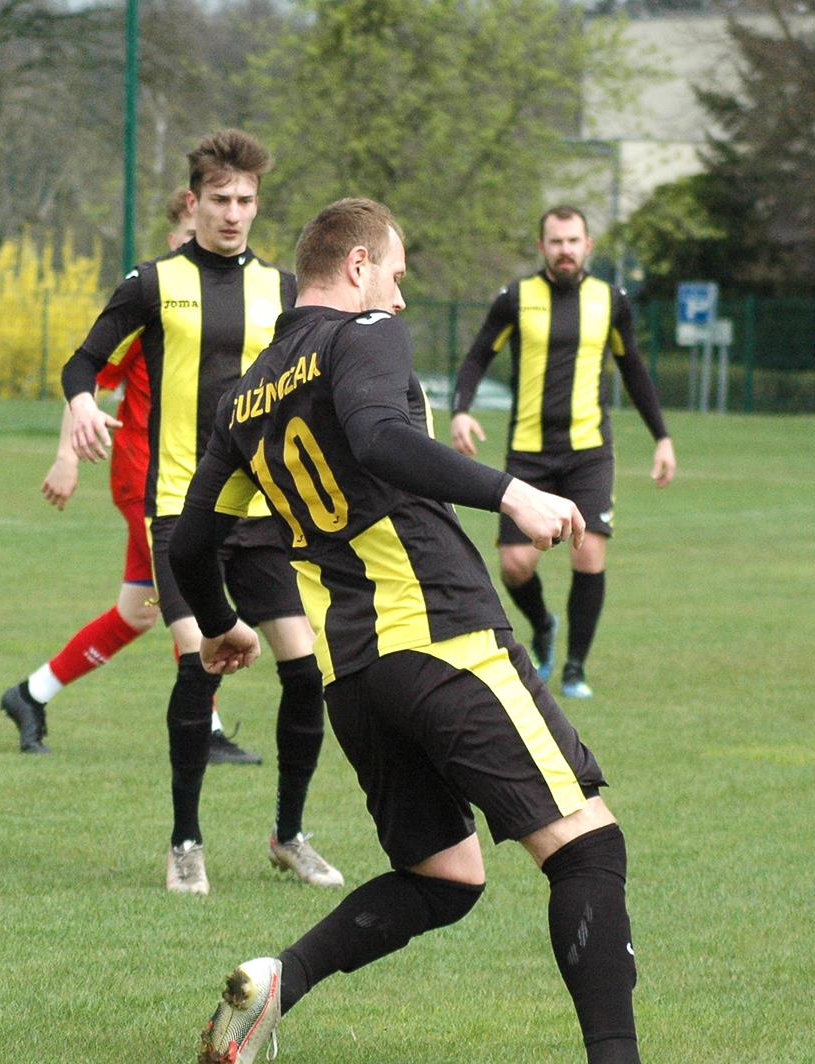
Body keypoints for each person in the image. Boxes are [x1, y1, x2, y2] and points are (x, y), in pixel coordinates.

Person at [173, 199, 642, 1064]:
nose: (399, 289)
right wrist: (513, 492)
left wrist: (217, 625)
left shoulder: (245, 398)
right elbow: (384, 439)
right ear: (356, 267)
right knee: (588, 850)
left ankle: (283, 977)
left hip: (354, 677)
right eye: (393, 269)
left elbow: (195, 539)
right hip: (442, 640)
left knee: (446, 877)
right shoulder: (365, 333)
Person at [62, 129, 341, 895]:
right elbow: (82, 359)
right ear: (195, 200)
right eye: (220, 199)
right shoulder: (153, 282)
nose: (233, 213)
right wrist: (82, 402)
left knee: (305, 670)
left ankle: (290, 834)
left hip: (262, 513)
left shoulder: (284, 290)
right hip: (181, 511)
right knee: (197, 662)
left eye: (246, 201)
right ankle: (185, 841)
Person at [0, 191, 260, 765]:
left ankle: (30, 694)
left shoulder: (231, 309)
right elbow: (87, 375)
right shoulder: (156, 304)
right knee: (188, 599)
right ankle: (207, 729)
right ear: (177, 240)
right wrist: (67, 454)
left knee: (136, 610)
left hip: (192, 479)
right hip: (147, 479)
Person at [449, 206, 675, 700]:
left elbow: (633, 366)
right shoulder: (515, 298)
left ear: (589, 245)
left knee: (589, 550)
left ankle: (574, 667)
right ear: (542, 247)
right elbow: (477, 356)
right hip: (529, 453)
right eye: (556, 241)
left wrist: (662, 436)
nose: (565, 250)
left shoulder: (610, 300)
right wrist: (461, 410)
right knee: (514, 563)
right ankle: (542, 623)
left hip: (589, 451)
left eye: (573, 241)